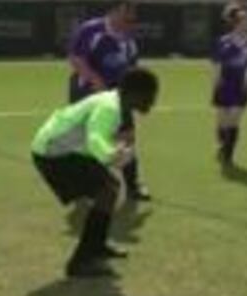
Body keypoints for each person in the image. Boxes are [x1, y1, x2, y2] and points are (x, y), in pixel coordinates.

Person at [32, 68, 159, 278]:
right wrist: (112, 155)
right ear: (134, 93)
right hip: (52, 153)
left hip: (63, 149)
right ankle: (80, 262)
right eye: (149, 95)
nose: (152, 102)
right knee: (107, 192)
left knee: (109, 189)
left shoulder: (117, 102)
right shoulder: (110, 108)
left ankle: (96, 247)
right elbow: (95, 138)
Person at [67, 0, 151, 202]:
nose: (128, 24)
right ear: (114, 12)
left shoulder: (128, 40)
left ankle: (133, 187)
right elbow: (76, 59)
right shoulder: (91, 30)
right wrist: (97, 82)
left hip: (118, 95)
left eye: (132, 21)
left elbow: (131, 69)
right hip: (87, 94)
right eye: (125, 19)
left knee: (127, 138)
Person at [212, 4, 247, 166]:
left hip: (241, 85)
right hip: (225, 84)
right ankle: (222, 145)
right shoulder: (223, 41)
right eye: (245, 21)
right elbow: (217, 64)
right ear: (236, 23)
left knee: (234, 120)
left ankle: (229, 156)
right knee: (222, 122)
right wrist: (216, 84)